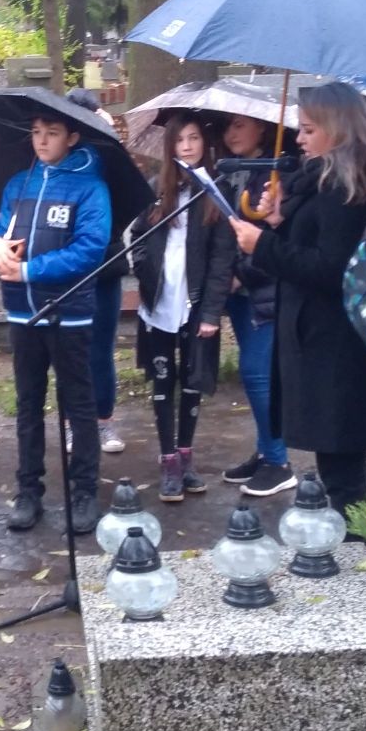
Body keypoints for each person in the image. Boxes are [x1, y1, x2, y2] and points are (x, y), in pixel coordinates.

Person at [228, 83, 366, 517]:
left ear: (337, 129)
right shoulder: (322, 181)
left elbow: (333, 269)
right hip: (322, 341)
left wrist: (262, 245)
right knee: (337, 467)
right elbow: (311, 246)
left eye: (308, 130)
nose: (299, 139)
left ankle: (360, 552)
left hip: (337, 347)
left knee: (344, 474)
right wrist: (278, 221)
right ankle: (354, 546)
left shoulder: (346, 187)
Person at [0, 112, 111, 534]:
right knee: (28, 404)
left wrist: (29, 270)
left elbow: (90, 249)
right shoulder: (18, 183)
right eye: (36, 133)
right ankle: (28, 492)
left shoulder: (91, 188)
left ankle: (84, 492)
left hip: (69, 312)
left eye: (52, 134)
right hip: (22, 311)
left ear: (71, 137)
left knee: (79, 404)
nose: (41, 141)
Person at [126, 114, 235, 502]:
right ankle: (168, 459)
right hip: (159, 302)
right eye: (180, 140)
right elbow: (138, 235)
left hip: (195, 305)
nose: (187, 146)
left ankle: (186, 456)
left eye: (194, 139)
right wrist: (144, 270)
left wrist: (211, 313)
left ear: (204, 144)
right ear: (170, 146)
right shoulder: (156, 189)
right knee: (162, 379)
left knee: (192, 380)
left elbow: (223, 258)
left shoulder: (216, 192)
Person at [216, 112, 291, 495]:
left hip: (264, 290)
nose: (231, 133)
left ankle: (279, 461)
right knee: (255, 373)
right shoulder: (231, 172)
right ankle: (265, 452)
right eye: (228, 126)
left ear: (262, 126)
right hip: (240, 293)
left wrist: (241, 274)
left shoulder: (276, 173)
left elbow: (272, 242)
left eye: (240, 125)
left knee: (257, 373)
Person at [65, 88, 126, 453]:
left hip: (105, 267)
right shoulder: (58, 162)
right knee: (71, 351)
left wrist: (111, 141)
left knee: (101, 349)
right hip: (66, 269)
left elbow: (128, 199)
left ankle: (104, 421)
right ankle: (74, 423)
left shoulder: (109, 157)